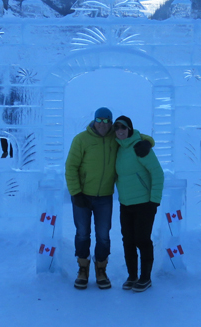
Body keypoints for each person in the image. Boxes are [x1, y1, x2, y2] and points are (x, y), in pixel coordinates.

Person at [64, 107, 154, 290]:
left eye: (106, 121)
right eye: (99, 120)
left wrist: (148, 142)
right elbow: (71, 167)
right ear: (94, 120)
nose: (102, 124)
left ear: (111, 123)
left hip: (104, 197)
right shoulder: (81, 139)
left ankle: (101, 270)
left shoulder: (116, 139)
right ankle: (82, 269)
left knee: (103, 236)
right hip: (82, 196)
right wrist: (76, 193)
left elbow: (136, 135)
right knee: (82, 234)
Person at [113, 115, 164, 292]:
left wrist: (154, 201)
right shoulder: (117, 148)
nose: (120, 130)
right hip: (125, 204)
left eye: (124, 127)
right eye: (117, 127)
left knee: (142, 240)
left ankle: (145, 278)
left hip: (144, 203)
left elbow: (157, 174)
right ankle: (132, 276)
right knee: (128, 241)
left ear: (130, 129)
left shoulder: (140, 147)